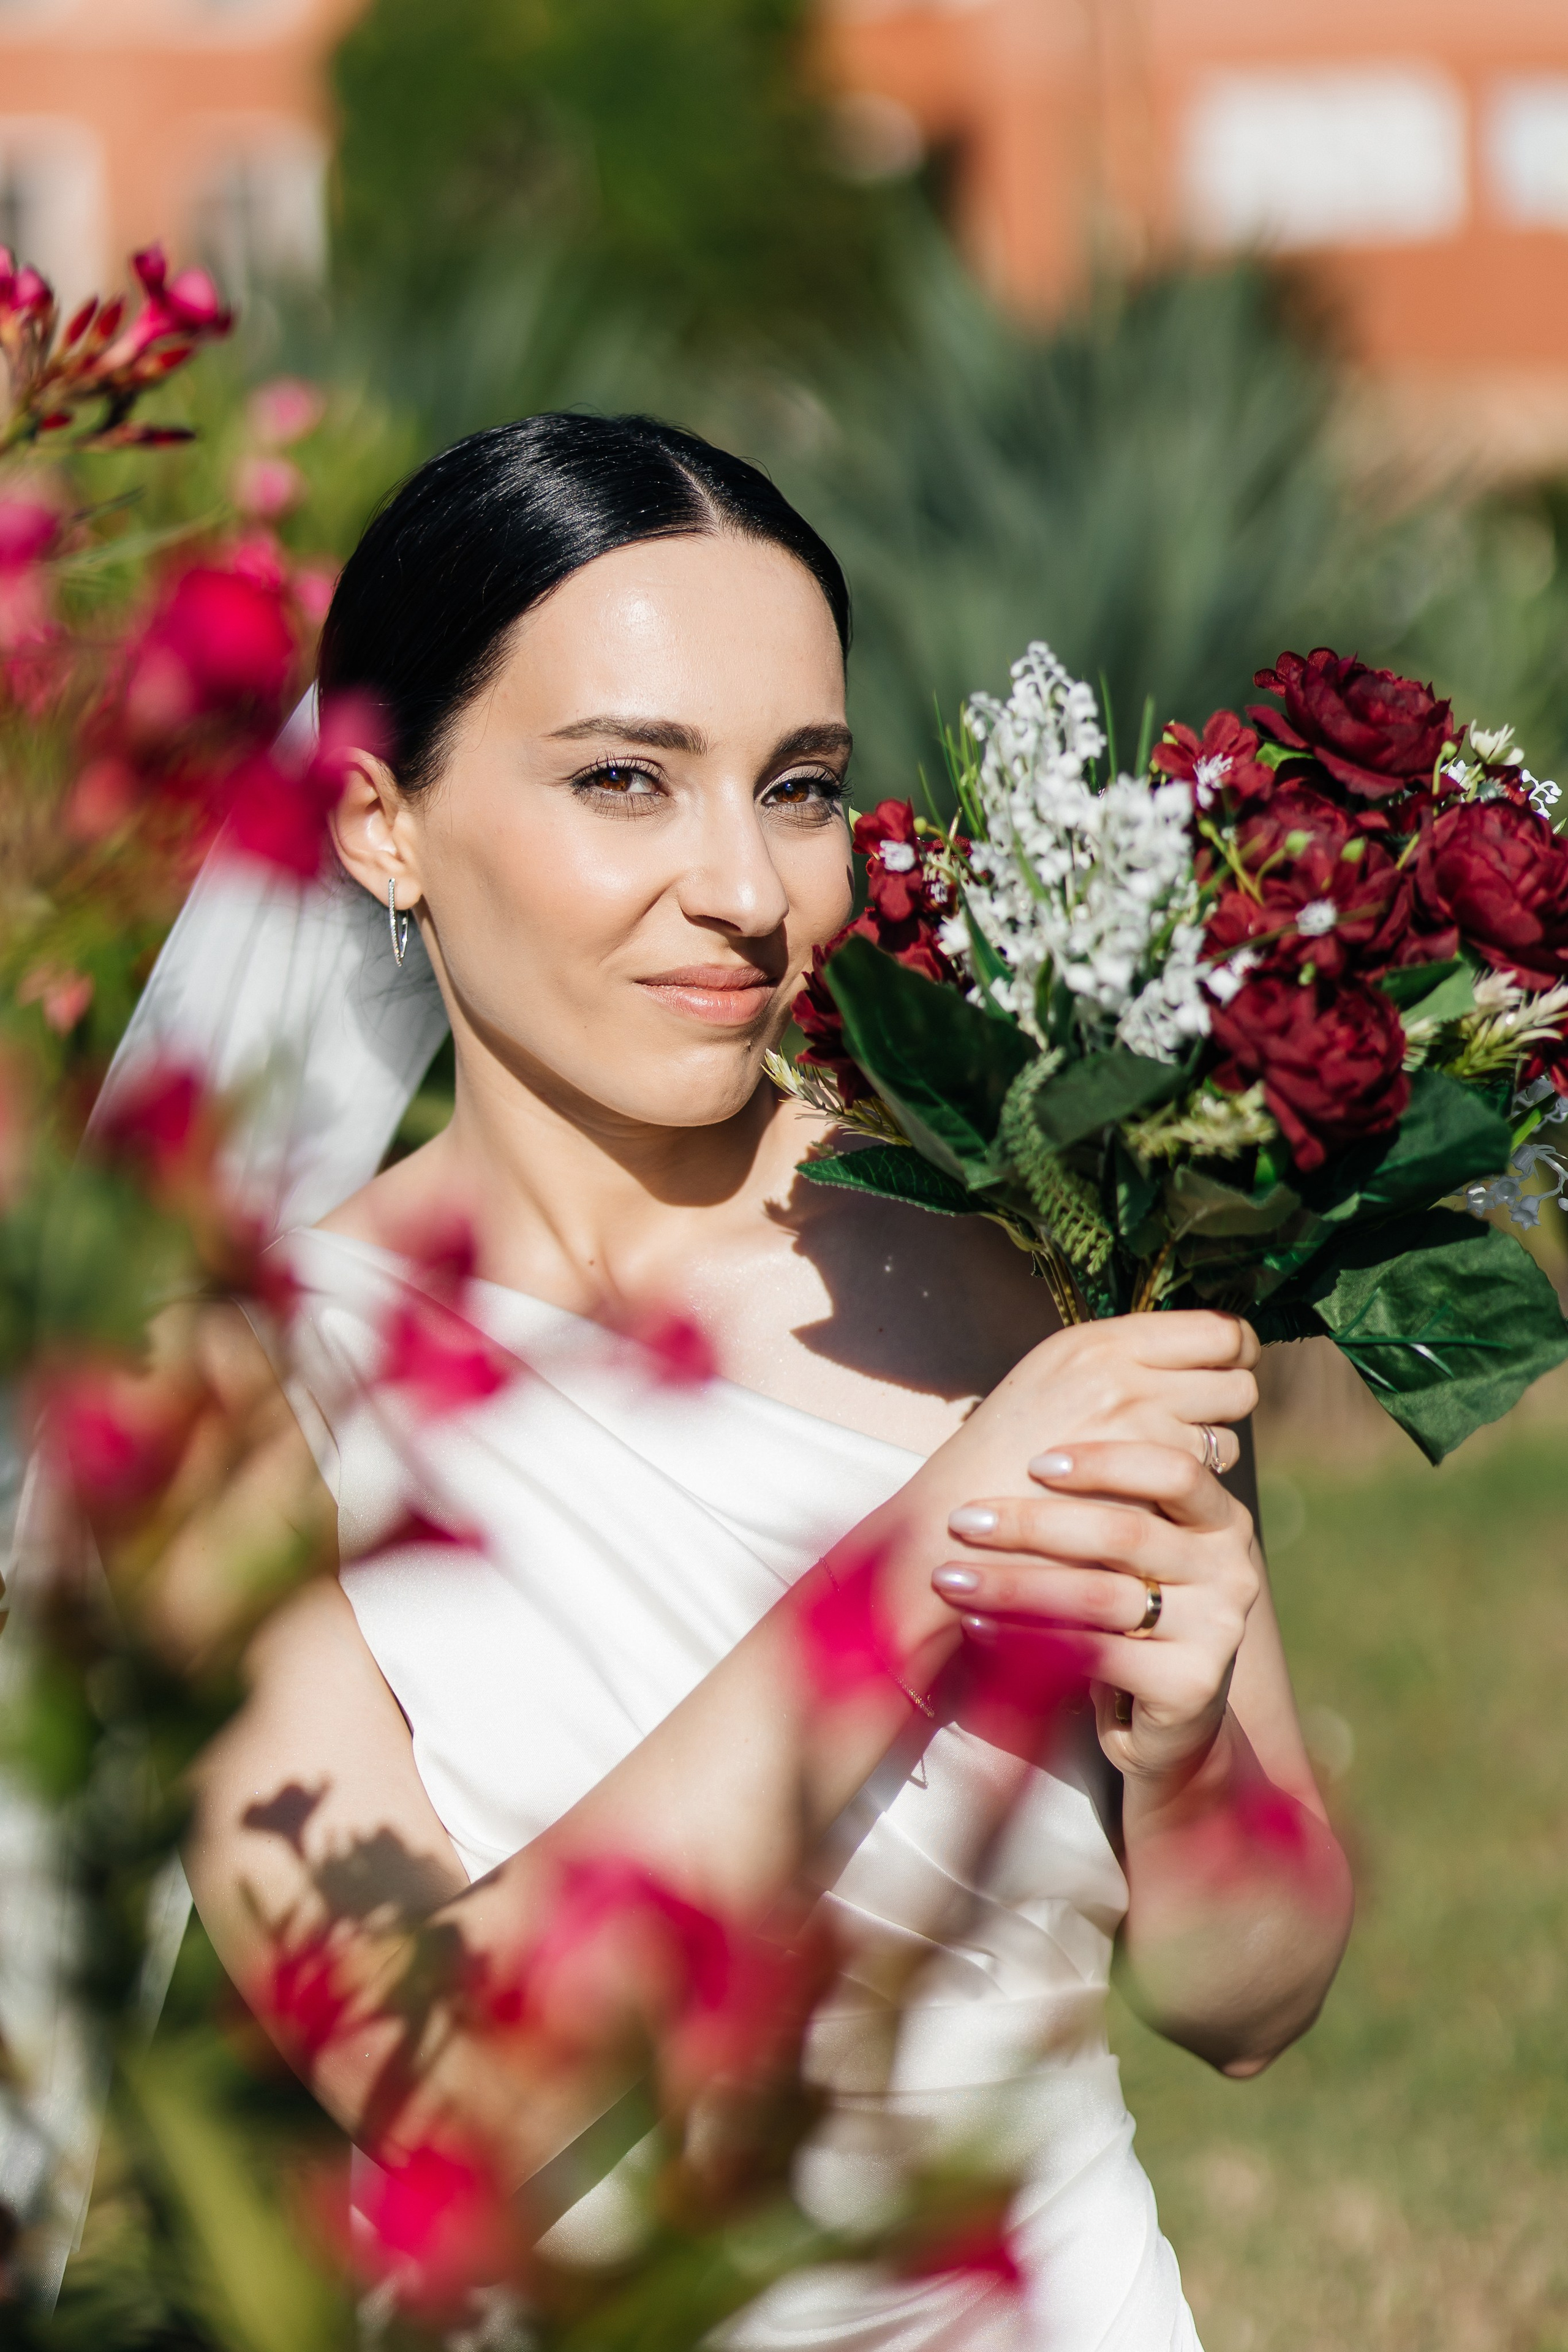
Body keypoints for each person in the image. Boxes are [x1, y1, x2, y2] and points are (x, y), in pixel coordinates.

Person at [167, 414, 1351, 2348]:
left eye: (798, 788)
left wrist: (1194, 1757)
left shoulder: (1033, 1249)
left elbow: (1254, 1998)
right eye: (626, 780)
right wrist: (930, 1557)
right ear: (380, 822)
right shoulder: (231, 1390)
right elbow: (434, 2078)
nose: (744, 887)